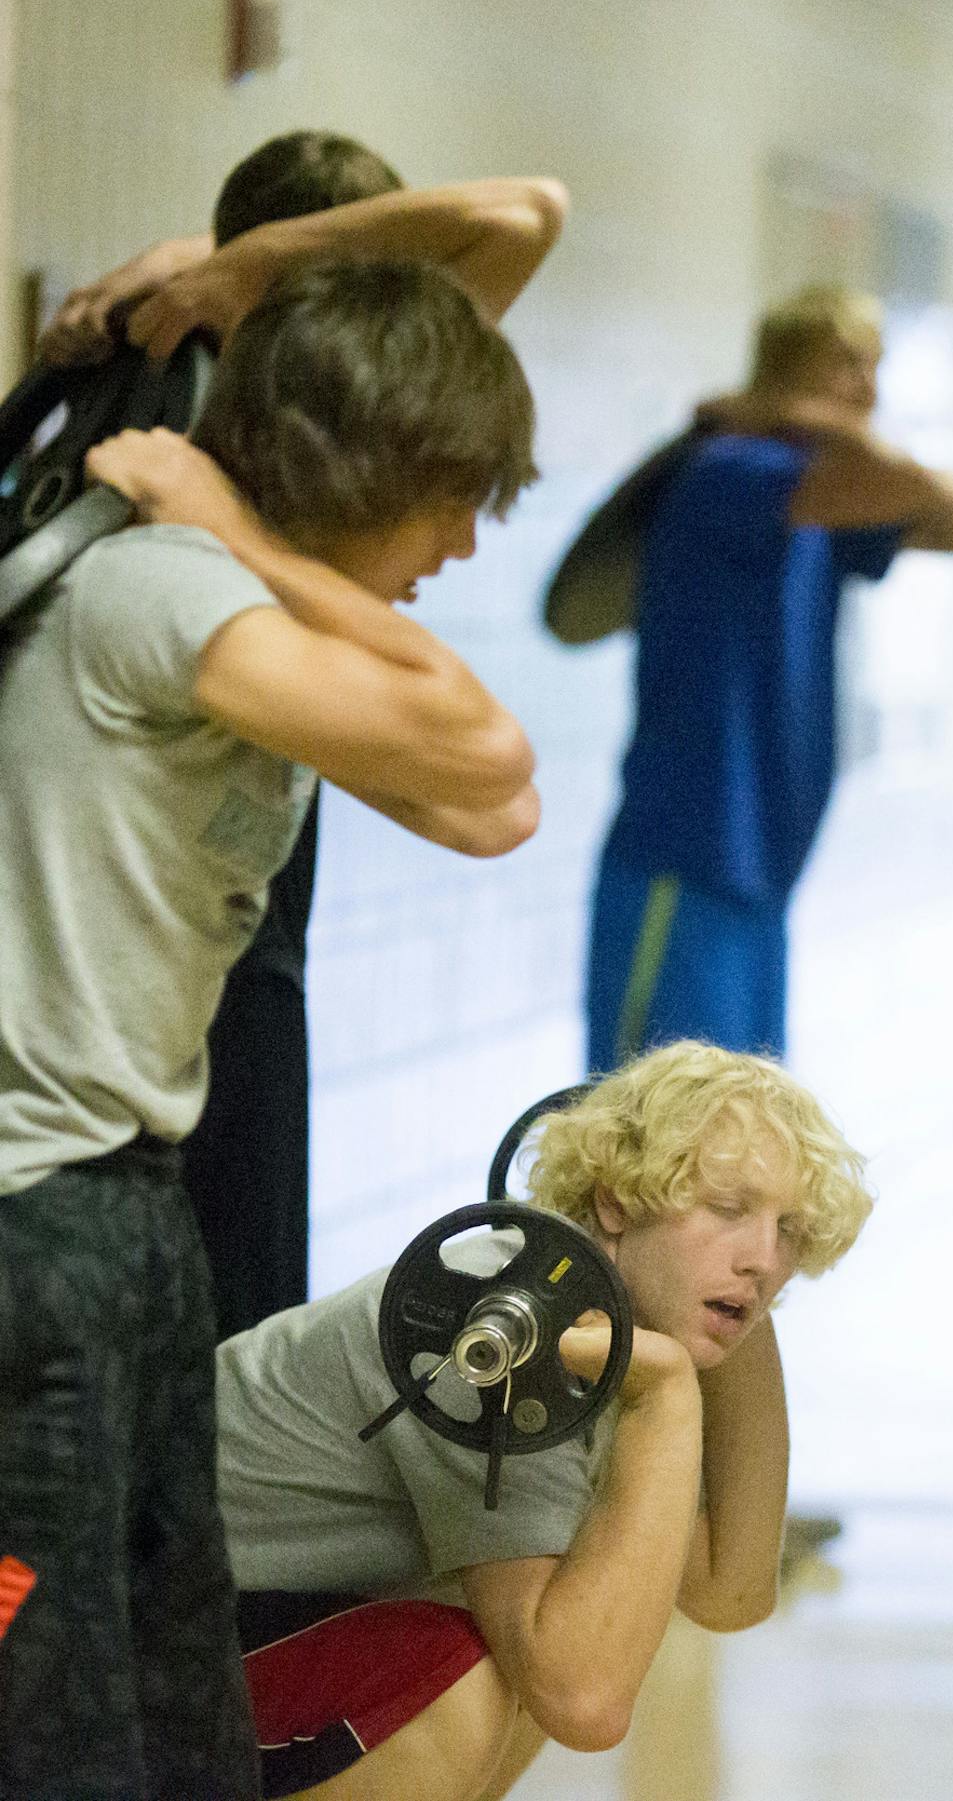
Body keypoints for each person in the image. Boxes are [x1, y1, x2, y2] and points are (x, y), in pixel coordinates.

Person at [0, 257, 541, 1799]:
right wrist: (238, 536)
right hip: (32, 1232)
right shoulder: (169, 589)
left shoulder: (241, 608)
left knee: (186, 1715)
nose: (458, 545)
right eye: (453, 502)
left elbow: (494, 806)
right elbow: (487, 740)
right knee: (57, 1731)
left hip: (123, 1217)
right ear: (372, 470)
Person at [38, 129, 569, 1343]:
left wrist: (226, 262)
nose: (456, 540)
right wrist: (234, 275)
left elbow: (496, 805)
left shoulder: (253, 496)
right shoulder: (177, 516)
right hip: (67, 1165)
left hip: (188, 1035)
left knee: (233, 1353)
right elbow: (522, 210)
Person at [214, 1039, 873, 1799]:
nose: (764, 1257)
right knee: (477, 1670)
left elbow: (731, 1589)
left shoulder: (606, 1312)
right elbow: (584, 1700)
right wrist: (667, 1397)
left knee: (537, 1630)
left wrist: (727, 1323)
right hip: (101, 1655)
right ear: (617, 1201)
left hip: (219, 1632)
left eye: (789, 1229)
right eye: (728, 1209)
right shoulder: (493, 1324)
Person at [545, 282, 953, 1071]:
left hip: (756, 883)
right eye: (847, 365)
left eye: (876, 367)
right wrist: (795, 419)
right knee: (638, 1155)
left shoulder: (819, 507)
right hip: (682, 865)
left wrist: (806, 416)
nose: (868, 390)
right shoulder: (734, 472)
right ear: (788, 370)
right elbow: (909, 484)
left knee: (730, 1162)